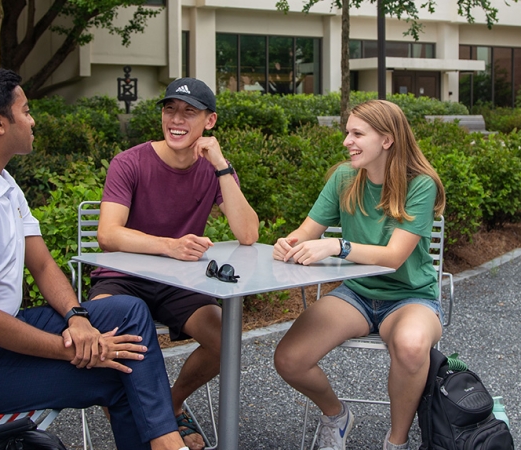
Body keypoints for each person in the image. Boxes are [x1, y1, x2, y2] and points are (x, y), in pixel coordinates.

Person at [0, 68, 188, 450]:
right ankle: (168, 443)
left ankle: (165, 441)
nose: (32, 119)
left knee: (127, 311)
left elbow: (41, 264)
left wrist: (78, 319)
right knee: (119, 373)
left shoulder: (2, 182)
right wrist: (73, 348)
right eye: (25, 110)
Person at [89, 77, 260, 449]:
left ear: (209, 121)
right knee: (107, 339)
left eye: (189, 112)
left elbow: (248, 234)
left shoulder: (212, 168)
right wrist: (169, 246)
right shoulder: (129, 162)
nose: (176, 119)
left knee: (225, 342)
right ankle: (148, 426)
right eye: (170, 109)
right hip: (122, 276)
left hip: (177, 281)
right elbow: (108, 234)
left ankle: (170, 404)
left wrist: (221, 165)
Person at [272, 99, 446, 450]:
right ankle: (336, 415)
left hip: (410, 297)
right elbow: (307, 231)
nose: (346, 141)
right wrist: (288, 243)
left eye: (356, 133)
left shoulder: (420, 185)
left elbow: (394, 257)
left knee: (411, 347)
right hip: (356, 295)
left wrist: (337, 246)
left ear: (386, 139)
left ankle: (395, 443)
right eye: (347, 132)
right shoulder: (344, 177)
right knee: (290, 359)